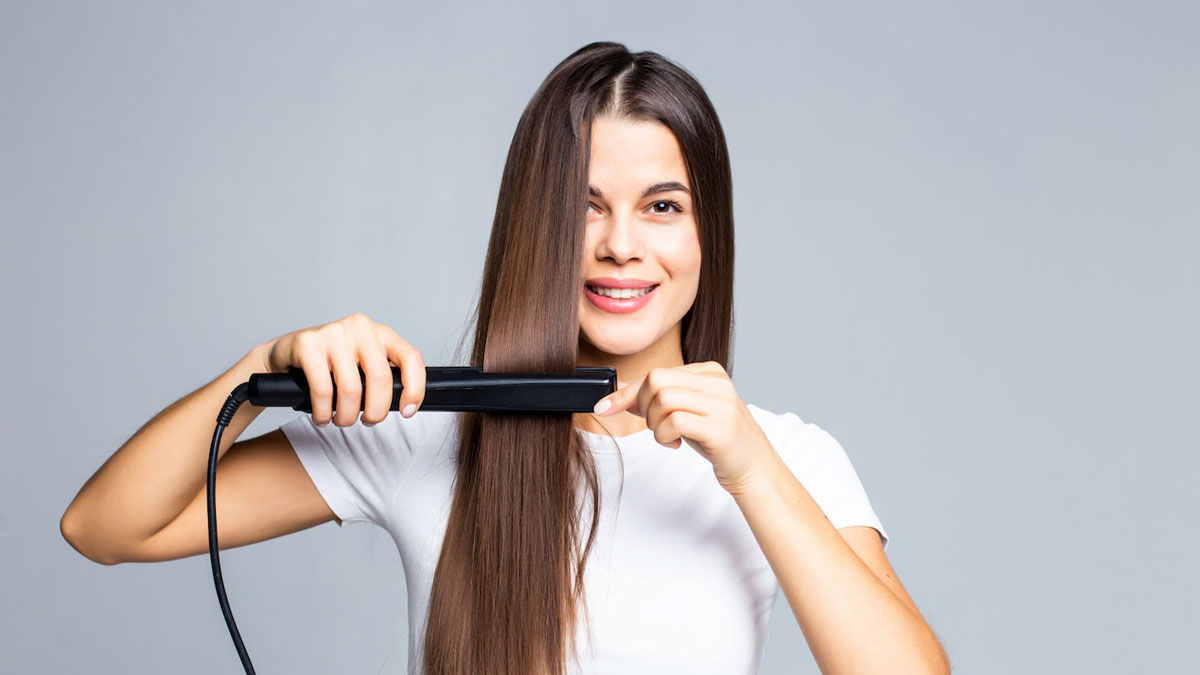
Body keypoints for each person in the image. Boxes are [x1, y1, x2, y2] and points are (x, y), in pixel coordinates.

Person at [60, 41, 949, 675]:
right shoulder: (425, 435)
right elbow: (105, 527)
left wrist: (751, 468)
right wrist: (258, 370)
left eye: (663, 206)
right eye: (585, 206)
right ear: (538, 228)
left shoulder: (788, 458)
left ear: (707, 228)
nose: (620, 245)